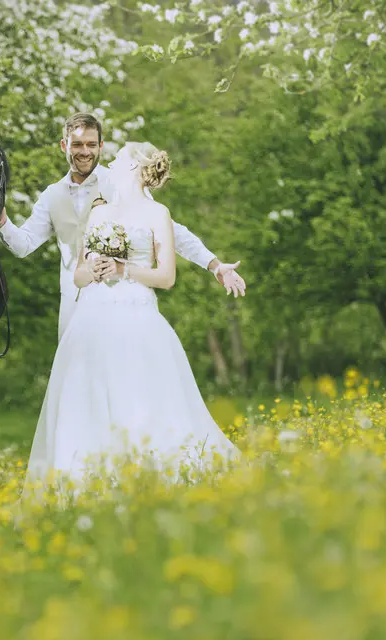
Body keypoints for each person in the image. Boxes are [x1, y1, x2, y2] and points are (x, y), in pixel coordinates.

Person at [24, 141, 239, 486]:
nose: (110, 161)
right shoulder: (97, 213)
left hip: (138, 317)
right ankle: (81, 481)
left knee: (139, 398)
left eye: (120, 156)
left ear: (136, 167)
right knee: (85, 400)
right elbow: (79, 273)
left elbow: (168, 272)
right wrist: (93, 272)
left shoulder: (157, 214)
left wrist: (127, 270)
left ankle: (147, 478)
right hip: (91, 320)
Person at [0, 112, 245, 341]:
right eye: (77, 144)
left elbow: (170, 230)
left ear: (101, 146)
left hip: (120, 304)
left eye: (91, 144)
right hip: (73, 307)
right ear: (64, 146)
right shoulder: (52, 196)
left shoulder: (123, 182)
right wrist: (3, 222)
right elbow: (23, 245)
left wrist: (214, 265)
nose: (85, 151)